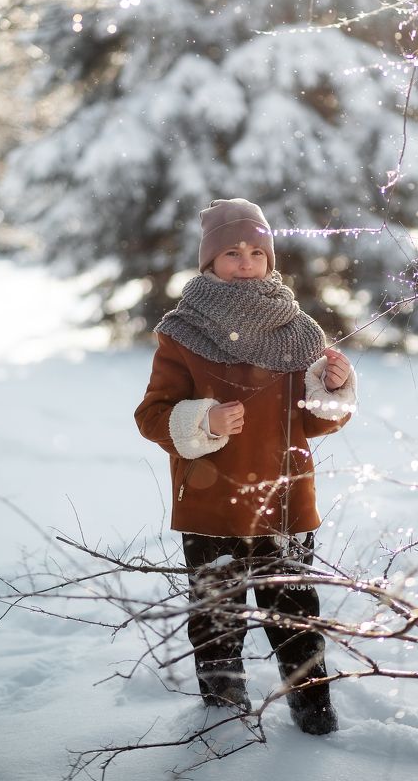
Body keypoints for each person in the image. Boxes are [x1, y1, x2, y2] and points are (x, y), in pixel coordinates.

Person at [134, 198, 357, 735]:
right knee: (217, 619)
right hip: (212, 505)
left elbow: (318, 422)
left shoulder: (297, 330)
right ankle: (222, 713)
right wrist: (204, 420)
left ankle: (314, 713)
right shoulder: (183, 331)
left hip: (285, 502)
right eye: (231, 252)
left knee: (296, 618)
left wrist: (332, 389)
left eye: (257, 252)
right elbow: (152, 416)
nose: (246, 261)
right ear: (209, 261)